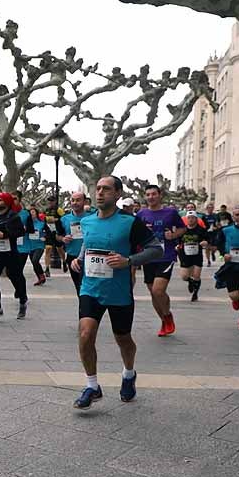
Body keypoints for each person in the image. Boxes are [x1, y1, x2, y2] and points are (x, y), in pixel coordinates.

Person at [70, 176, 163, 410]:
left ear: (118, 194)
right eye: (98, 189)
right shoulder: (88, 222)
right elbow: (88, 244)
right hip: (90, 287)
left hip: (119, 291)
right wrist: (78, 260)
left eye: (107, 189)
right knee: (85, 334)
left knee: (123, 339)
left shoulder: (129, 222)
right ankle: (92, 386)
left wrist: (129, 260)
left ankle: (129, 373)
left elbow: (156, 249)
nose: (100, 193)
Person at [136, 184, 184, 337]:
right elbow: (135, 233)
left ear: (160, 195)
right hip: (149, 256)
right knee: (153, 293)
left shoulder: (170, 212)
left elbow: (182, 228)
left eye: (154, 194)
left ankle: (167, 314)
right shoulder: (141, 214)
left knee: (158, 290)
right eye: (148, 194)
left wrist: (174, 235)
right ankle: (164, 319)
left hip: (166, 255)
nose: (151, 197)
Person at [0, 192, 27, 320]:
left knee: (16, 278)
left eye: (0, 200)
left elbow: (21, 232)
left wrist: (5, 235)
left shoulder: (14, 217)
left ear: (7, 202)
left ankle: (23, 300)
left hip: (12, 253)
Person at [58, 191, 89, 295]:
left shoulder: (92, 218)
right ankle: (84, 308)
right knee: (79, 286)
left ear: (85, 202)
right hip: (72, 257)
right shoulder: (64, 219)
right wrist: (63, 239)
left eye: (78, 200)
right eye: (73, 200)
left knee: (89, 285)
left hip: (89, 256)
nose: (75, 203)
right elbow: (56, 236)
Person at [177, 211, 211, 302]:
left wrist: (206, 242)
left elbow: (208, 239)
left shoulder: (201, 230)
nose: (191, 220)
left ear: (196, 219)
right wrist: (177, 246)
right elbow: (178, 240)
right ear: (186, 219)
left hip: (197, 255)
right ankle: (190, 282)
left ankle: (195, 293)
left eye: (193, 218)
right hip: (185, 255)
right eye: (189, 218)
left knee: (196, 275)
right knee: (184, 276)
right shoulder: (183, 230)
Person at [26, 204, 47, 286]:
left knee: (35, 260)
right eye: (30, 212)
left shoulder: (41, 223)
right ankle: (40, 278)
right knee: (34, 263)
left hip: (39, 245)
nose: (31, 214)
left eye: (33, 212)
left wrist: (45, 237)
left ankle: (42, 276)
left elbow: (48, 232)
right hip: (30, 245)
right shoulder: (28, 224)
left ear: (36, 213)